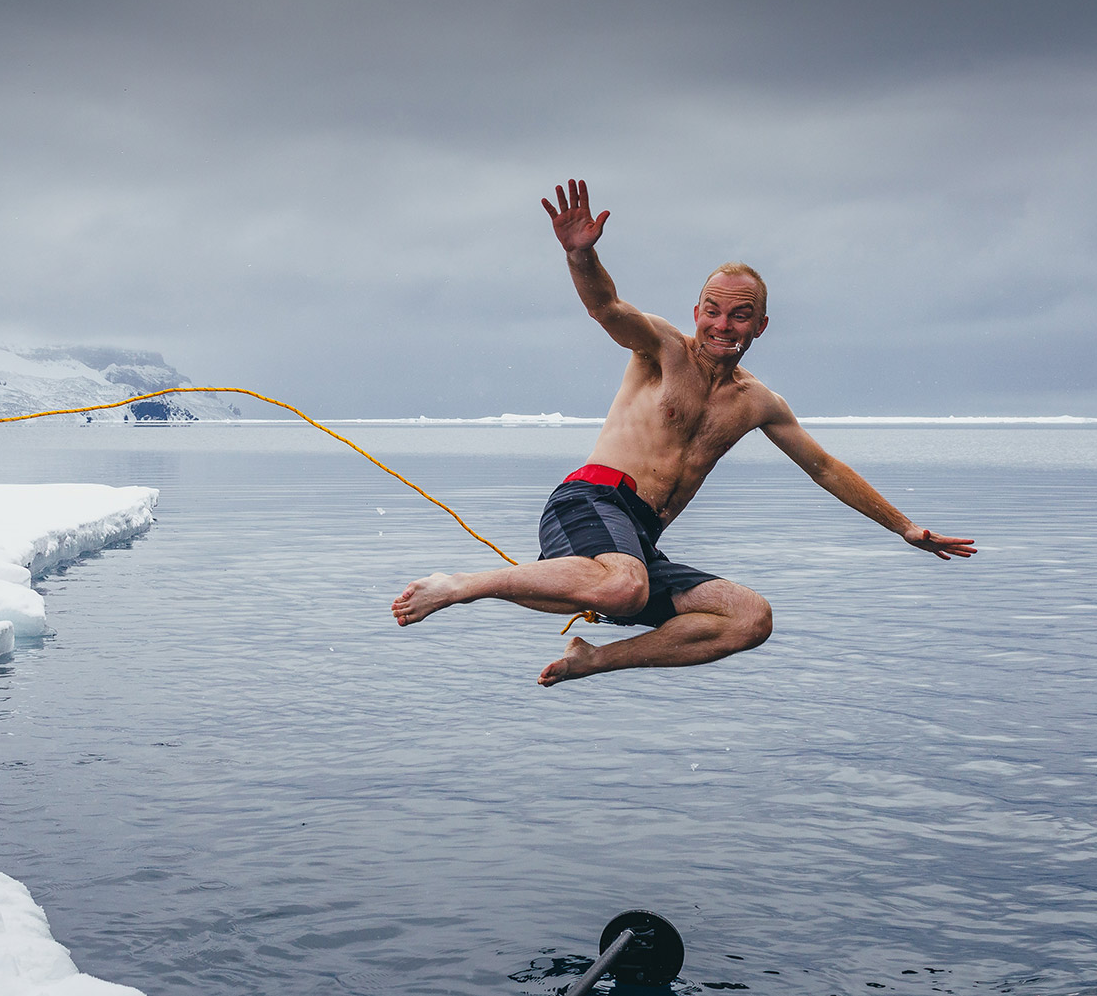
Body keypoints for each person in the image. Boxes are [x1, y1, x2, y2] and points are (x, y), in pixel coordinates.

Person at [392, 178, 974, 686]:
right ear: (696, 310)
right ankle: (460, 584)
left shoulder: (759, 404)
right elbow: (608, 308)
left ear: (760, 325)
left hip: (638, 539)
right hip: (592, 497)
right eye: (712, 310)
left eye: (739, 314)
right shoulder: (663, 350)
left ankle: (594, 660)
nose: (723, 325)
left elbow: (824, 468)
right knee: (623, 586)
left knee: (749, 617)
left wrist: (906, 528)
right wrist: (580, 258)